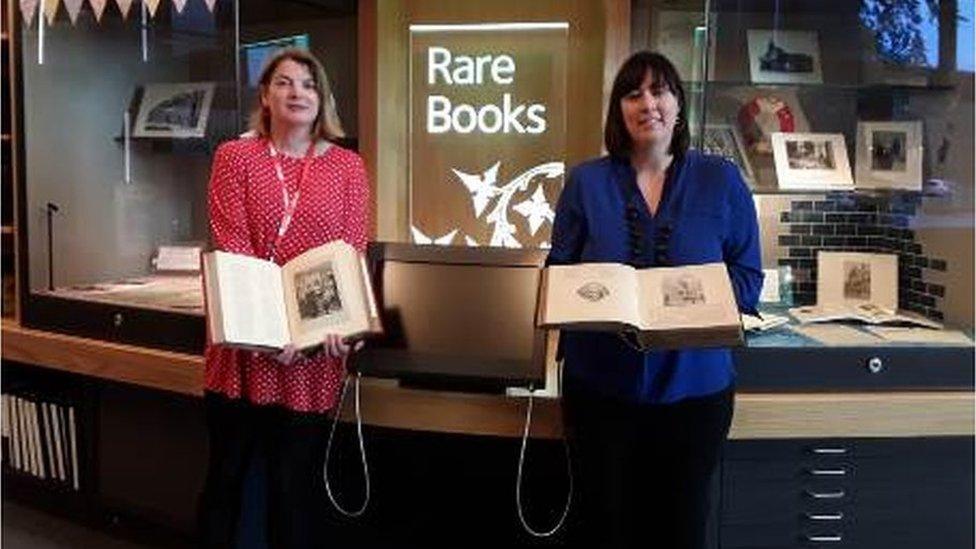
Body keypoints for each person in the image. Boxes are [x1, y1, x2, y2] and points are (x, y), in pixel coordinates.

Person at [546, 51, 763, 549]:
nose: (648, 103)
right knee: (602, 527)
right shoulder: (585, 182)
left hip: (695, 395)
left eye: (659, 90)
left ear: (679, 103)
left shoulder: (722, 180)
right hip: (599, 392)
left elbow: (749, 281)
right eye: (633, 93)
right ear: (619, 111)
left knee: (680, 529)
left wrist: (683, 301)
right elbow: (558, 275)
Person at [198, 48, 370, 548]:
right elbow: (235, 249)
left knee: (295, 489)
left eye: (309, 85)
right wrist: (270, 333)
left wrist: (339, 328)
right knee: (227, 479)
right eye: (284, 83)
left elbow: (350, 255)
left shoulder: (348, 168)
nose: (298, 93)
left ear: (323, 99)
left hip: (312, 356)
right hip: (244, 351)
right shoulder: (235, 157)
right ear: (265, 97)